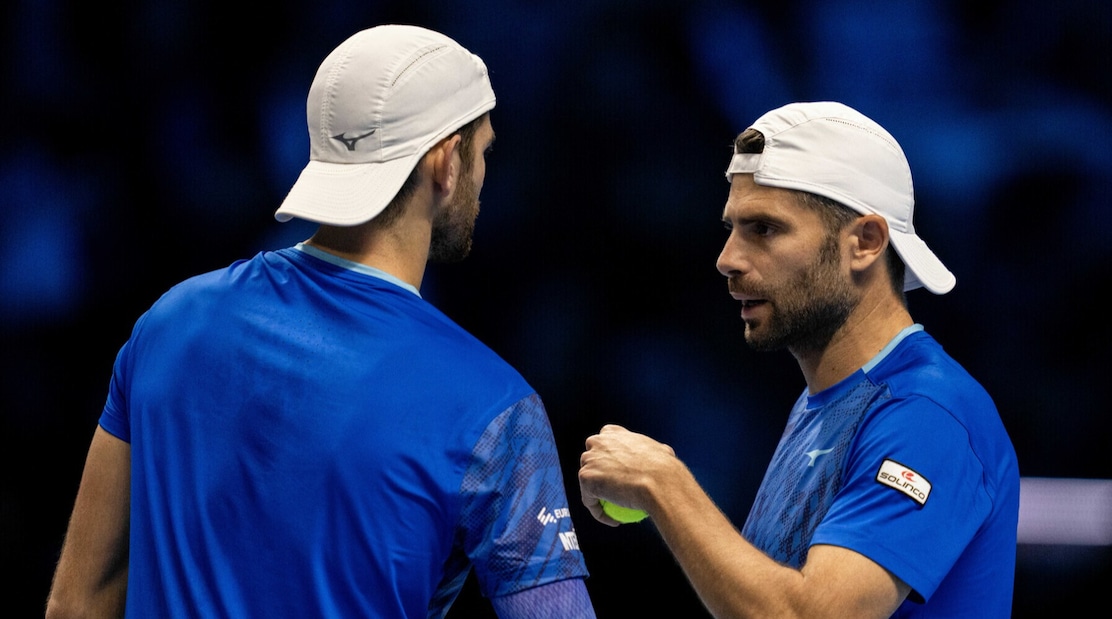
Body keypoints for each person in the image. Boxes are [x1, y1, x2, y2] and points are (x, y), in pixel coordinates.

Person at [46, 24, 595, 619]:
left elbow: (76, 604)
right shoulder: (496, 410)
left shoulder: (167, 325)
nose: (484, 178)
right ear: (444, 163)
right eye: (482, 151)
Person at [578, 101, 1019, 618]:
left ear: (866, 243)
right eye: (732, 229)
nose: (727, 260)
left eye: (764, 229)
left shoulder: (929, 415)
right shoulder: (825, 406)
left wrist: (664, 484)